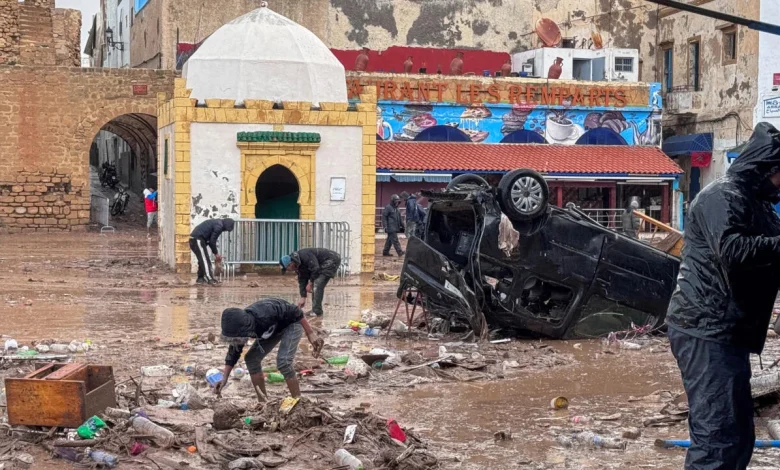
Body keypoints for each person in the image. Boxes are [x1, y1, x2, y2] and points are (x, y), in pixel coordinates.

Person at [666, 123, 780, 469]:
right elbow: (732, 251)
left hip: (727, 332)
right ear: (768, 169)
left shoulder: (757, 206)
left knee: (739, 434)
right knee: (717, 436)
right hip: (704, 327)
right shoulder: (722, 196)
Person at [217, 298, 324, 401]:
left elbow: (296, 311)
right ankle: (263, 402)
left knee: (284, 361)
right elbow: (234, 351)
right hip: (272, 330)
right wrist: (225, 377)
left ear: (244, 328)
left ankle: (298, 401)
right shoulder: (239, 329)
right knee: (251, 359)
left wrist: (310, 333)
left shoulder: (265, 312)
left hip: (292, 323)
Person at [279, 248, 341, 317]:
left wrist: (310, 283)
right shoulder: (298, 264)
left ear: (290, 264)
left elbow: (315, 268)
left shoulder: (303, 255)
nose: (288, 271)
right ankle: (315, 310)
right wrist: (303, 297)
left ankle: (317, 311)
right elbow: (302, 280)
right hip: (322, 262)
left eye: (287, 269)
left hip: (331, 259)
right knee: (315, 282)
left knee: (317, 283)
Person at [189, 218, 235, 285]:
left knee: (202, 260)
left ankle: (200, 279)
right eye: (227, 229)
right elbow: (212, 241)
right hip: (197, 240)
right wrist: (216, 253)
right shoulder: (219, 226)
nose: (225, 231)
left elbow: (210, 240)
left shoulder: (217, 223)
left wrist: (215, 252)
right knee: (205, 260)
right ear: (226, 226)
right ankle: (210, 279)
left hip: (195, 239)